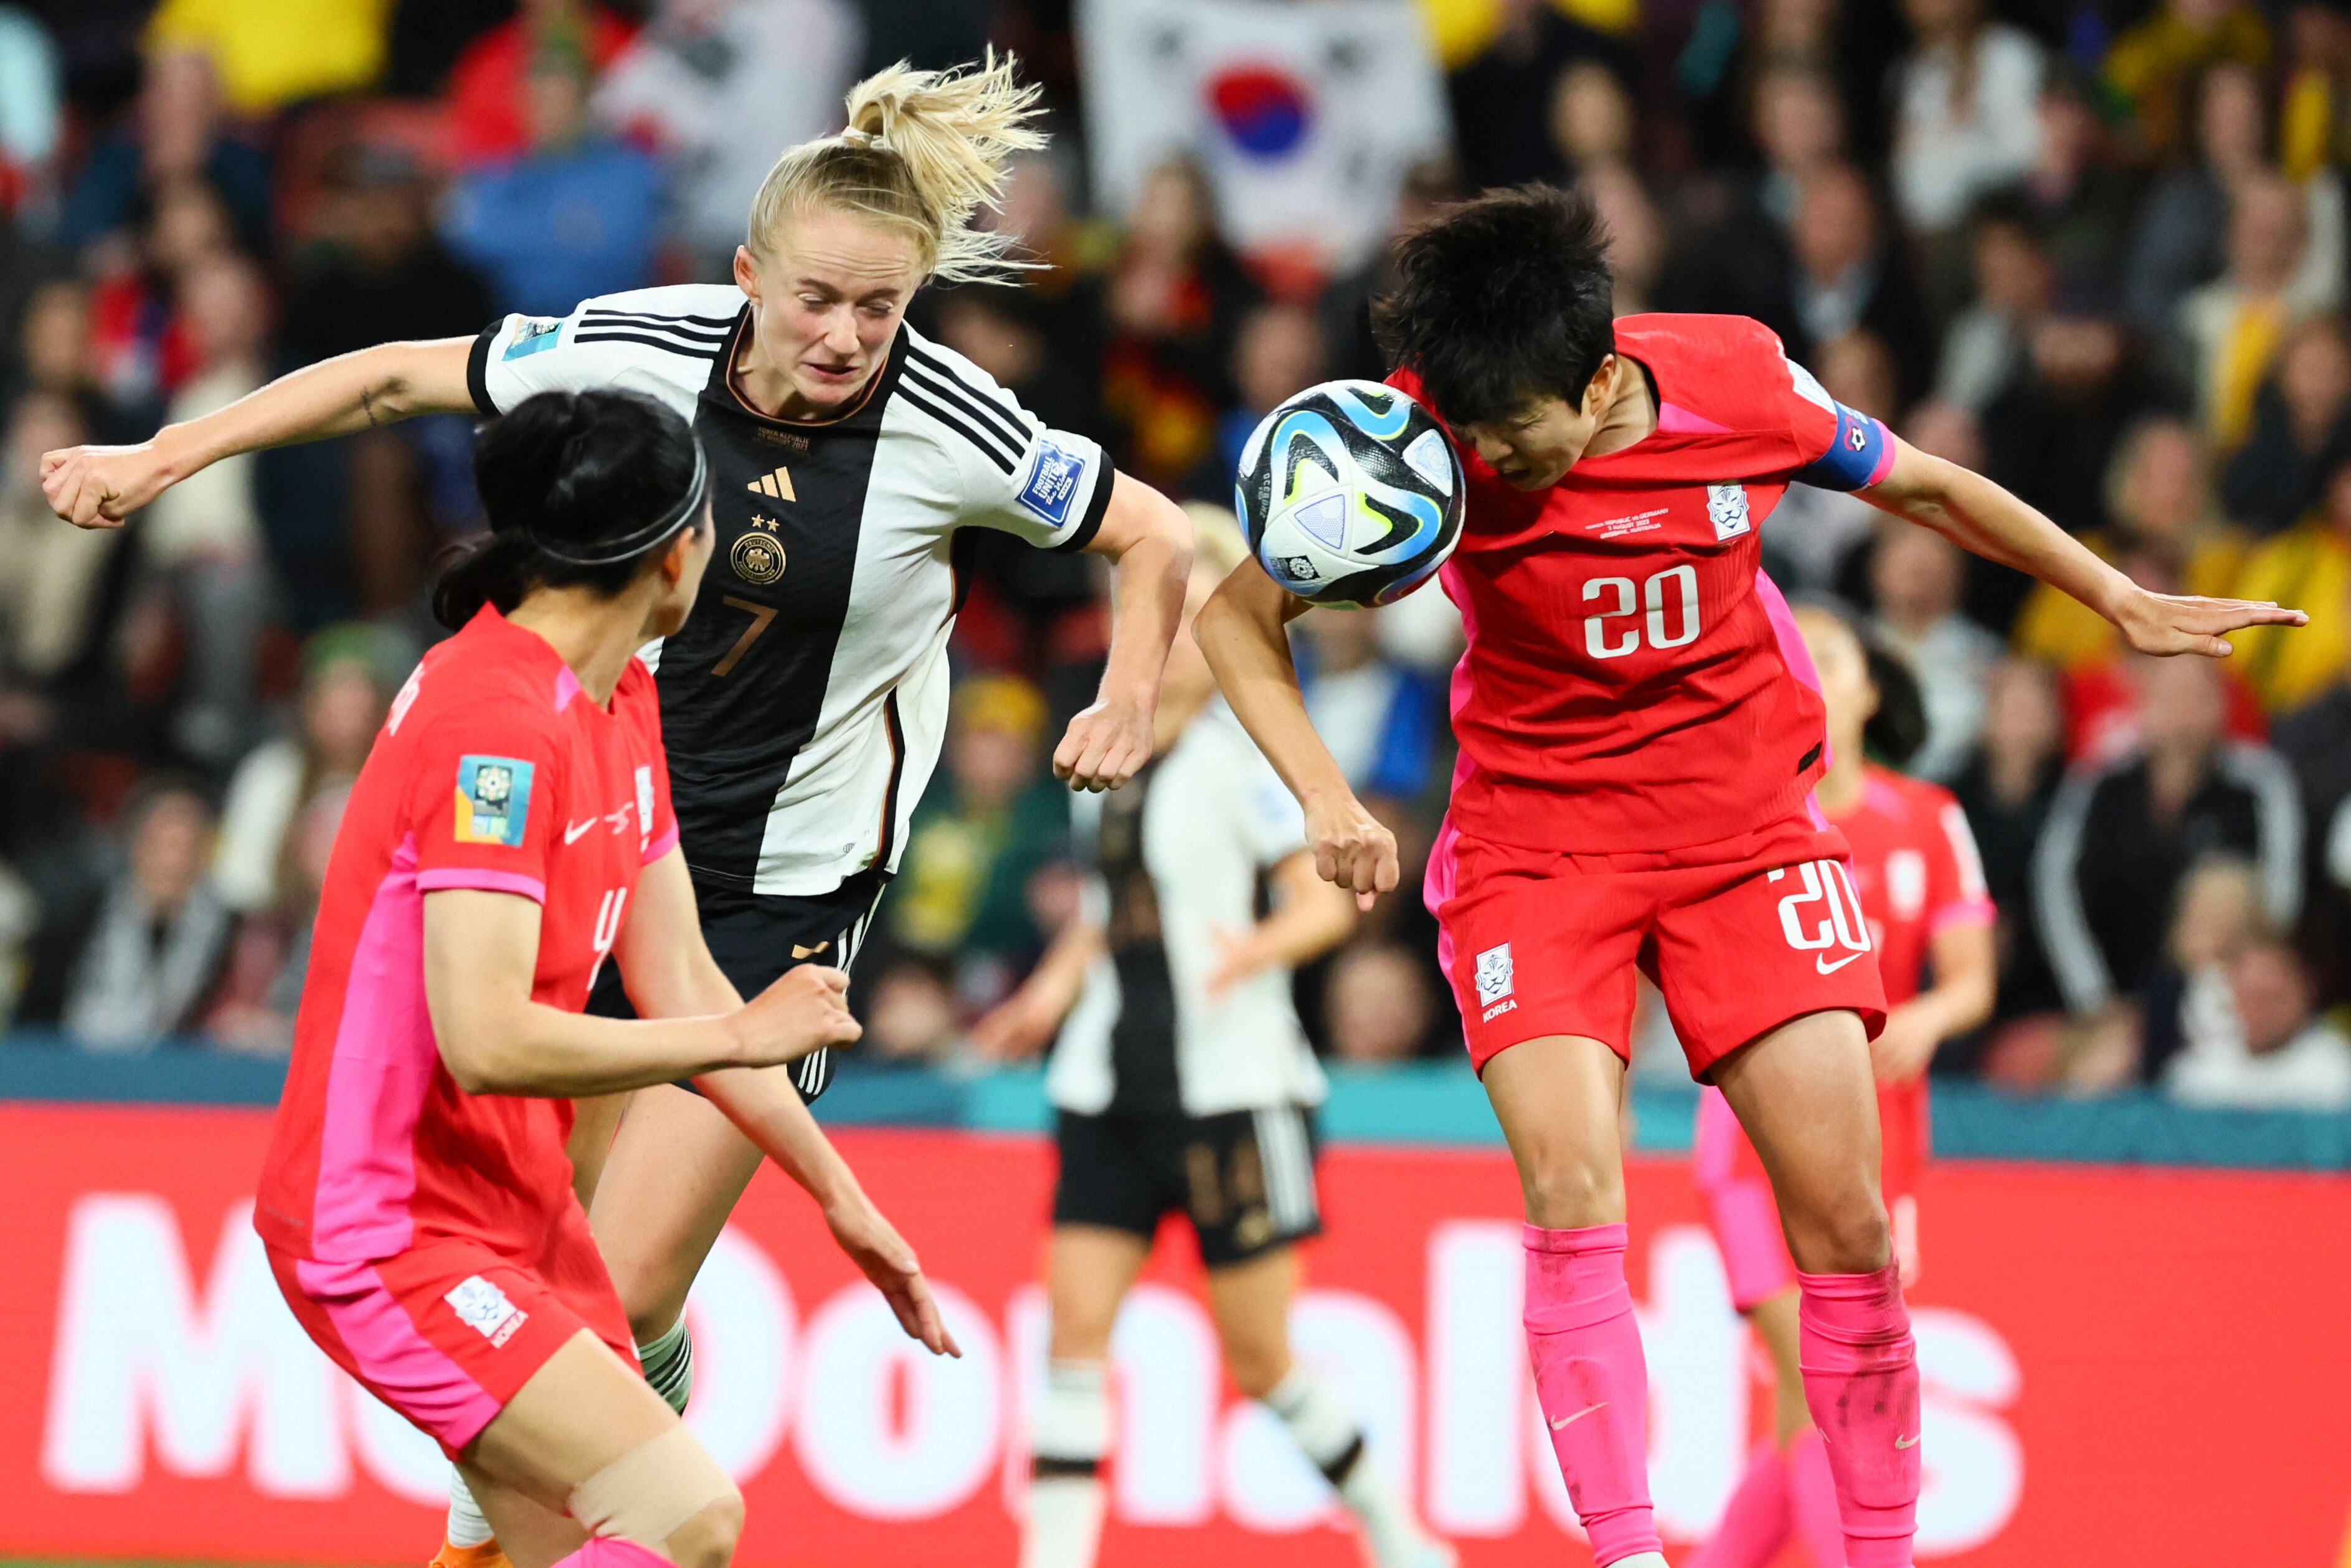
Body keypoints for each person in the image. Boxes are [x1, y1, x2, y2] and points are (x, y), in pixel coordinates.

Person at [41, 53, 1191, 1566]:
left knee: (626, 1286)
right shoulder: (641, 352)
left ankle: (577, 1504)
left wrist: (1125, 693)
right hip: (605, 822)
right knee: (548, 1285)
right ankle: (575, 1502)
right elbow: (392, 375)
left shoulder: (953, 421)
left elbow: (1159, 534)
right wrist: (162, 451)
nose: (848, 337)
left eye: (882, 309)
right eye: (816, 301)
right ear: (745, 276)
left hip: (781, 879)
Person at [1194, 185, 2303, 1568]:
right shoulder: (1417, 436)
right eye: (1465, 435)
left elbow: (1929, 487)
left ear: (1598, 381)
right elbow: (1235, 611)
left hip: (1743, 836)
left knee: (1844, 1221)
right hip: (1539, 840)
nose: (1481, 459)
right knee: (1569, 1184)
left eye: (1510, 438)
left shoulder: (1736, 377)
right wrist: (1324, 794)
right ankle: (1630, 1553)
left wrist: (2114, 598)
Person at [250, 387, 868, 1568]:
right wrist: (738, 1040)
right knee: (683, 1517)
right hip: (384, 1224)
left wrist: (843, 1198)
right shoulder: (498, 725)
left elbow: (677, 966)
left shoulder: (619, 693)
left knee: (532, 1547)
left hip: (506, 1210)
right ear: (673, 551)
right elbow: (484, 1037)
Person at [972, 511, 1453, 1568]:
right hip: (1108, 1083)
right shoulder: (1112, 751)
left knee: (1265, 1360)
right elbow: (1114, 908)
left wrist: (1254, 949)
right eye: (1140, 610)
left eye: (1181, 615)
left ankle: (1397, 1532)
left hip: (1235, 1086)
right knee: (1072, 1342)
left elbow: (1325, 906)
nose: (1153, 635)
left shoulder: (1251, 764)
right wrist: (1050, 994)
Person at [1688, 606, 1995, 1568]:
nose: (1807, 669)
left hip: (1882, 1137)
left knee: (1807, 1407)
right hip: (1749, 1143)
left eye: (1829, 654)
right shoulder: (1742, 814)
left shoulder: (1931, 820)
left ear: (1869, 687)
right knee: (1820, 1385)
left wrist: (1927, 1018)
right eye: (1789, 655)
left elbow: (1972, 980)